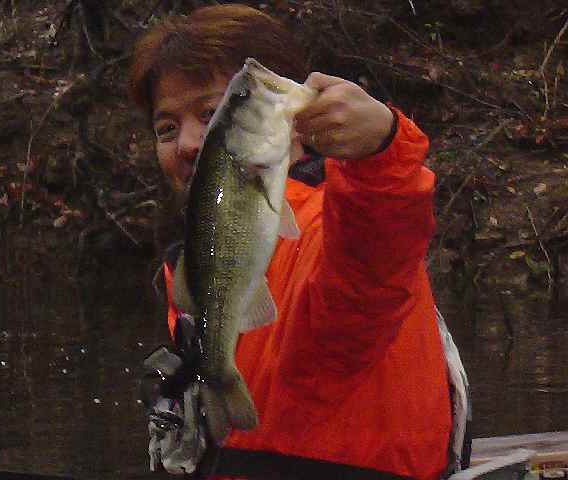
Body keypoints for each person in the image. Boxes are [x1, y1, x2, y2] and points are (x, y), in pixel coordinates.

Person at [130, 4, 468, 480]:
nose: (186, 142)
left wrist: (381, 151)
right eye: (165, 127)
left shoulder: (335, 222)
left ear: (294, 116)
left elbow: (368, 268)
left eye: (210, 113)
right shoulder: (195, 257)